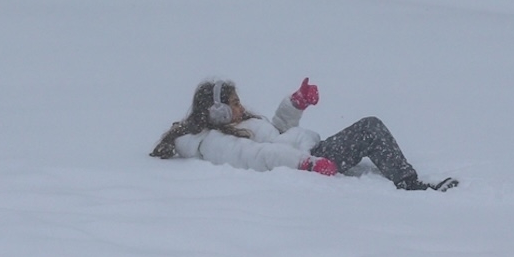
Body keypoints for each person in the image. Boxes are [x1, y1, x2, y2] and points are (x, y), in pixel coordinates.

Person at [150, 78, 458, 191]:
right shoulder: (214, 142)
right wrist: (306, 164)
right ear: (215, 111)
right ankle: (409, 182)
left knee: (368, 129)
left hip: (310, 150)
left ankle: (405, 178)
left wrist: (295, 103)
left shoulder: (237, 126)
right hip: (311, 157)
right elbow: (259, 156)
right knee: (370, 127)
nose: (240, 107)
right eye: (233, 103)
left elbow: (277, 133)